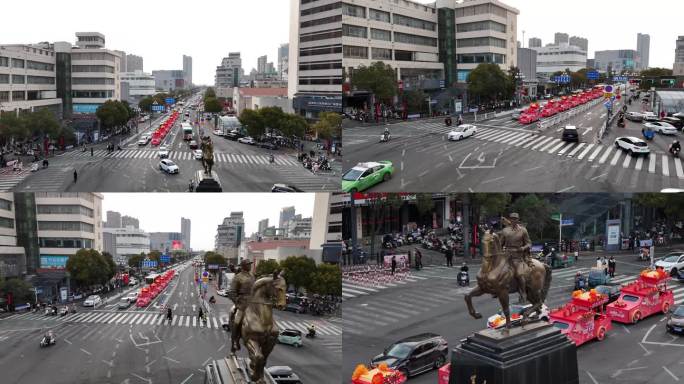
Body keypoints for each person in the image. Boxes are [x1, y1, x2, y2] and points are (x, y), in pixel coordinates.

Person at [499, 213, 534, 303]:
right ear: (510, 219)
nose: (513, 220)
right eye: (512, 219)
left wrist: (523, 248)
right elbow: (500, 244)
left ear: (518, 220)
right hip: (506, 255)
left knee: (519, 274)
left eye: (515, 219)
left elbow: (529, 243)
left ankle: (523, 293)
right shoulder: (505, 230)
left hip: (517, 257)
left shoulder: (523, 230)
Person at [228, 259, 255, 353]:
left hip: (253, 303)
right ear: (244, 266)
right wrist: (237, 302)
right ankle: (235, 340)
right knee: (237, 321)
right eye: (248, 264)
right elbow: (231, 292)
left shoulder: (252, 276)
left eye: (250, 264)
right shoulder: (238, 277)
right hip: (242, 304)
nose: (250, 266)